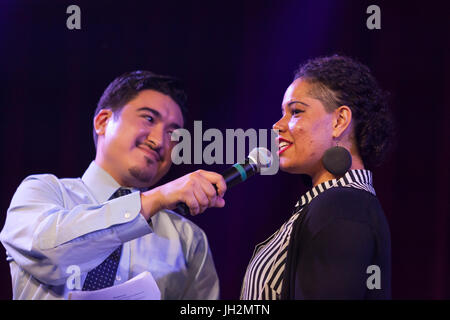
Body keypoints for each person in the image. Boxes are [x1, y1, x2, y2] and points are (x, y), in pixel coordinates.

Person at [0, 70, 227, 300]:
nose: (160, 141)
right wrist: (155, 200)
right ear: (103, 121)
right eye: (148, 118)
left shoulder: (188, 238)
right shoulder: (43, 192)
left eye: (172, 133)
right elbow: (50, 254)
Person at [240, 55, 393, 300]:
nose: (277, 126)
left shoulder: (342, 205)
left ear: (339, 121)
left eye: (296, 112)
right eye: (282, 113)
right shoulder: (334, 203)